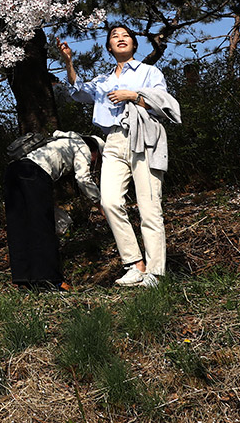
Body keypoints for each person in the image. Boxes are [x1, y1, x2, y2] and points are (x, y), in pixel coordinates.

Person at [59, 25, 178, 288]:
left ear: (134, 45)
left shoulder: (149, 72)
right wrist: (69, 62)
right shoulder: (103, 81)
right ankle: (135, 264)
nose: (120, 38)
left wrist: (133, 96)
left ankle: (156, 273)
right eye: (114, 36)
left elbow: (164, 105)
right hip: (113, 140)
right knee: (110, 201)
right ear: (109, 48)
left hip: (143, 135)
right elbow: (78, 91)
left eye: (125, 36)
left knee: (149, 206)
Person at [4, 132, 102, 289]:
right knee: (43, 226)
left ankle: (23, 279)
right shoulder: (82, 147)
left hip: (13, 171)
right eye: (97, 158)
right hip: (34, 173)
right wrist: (99, 204)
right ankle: (52, 281)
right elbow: (83, 179)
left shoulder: (62, 140)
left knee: (19, 226)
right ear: (94, 150)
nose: (94, 161)